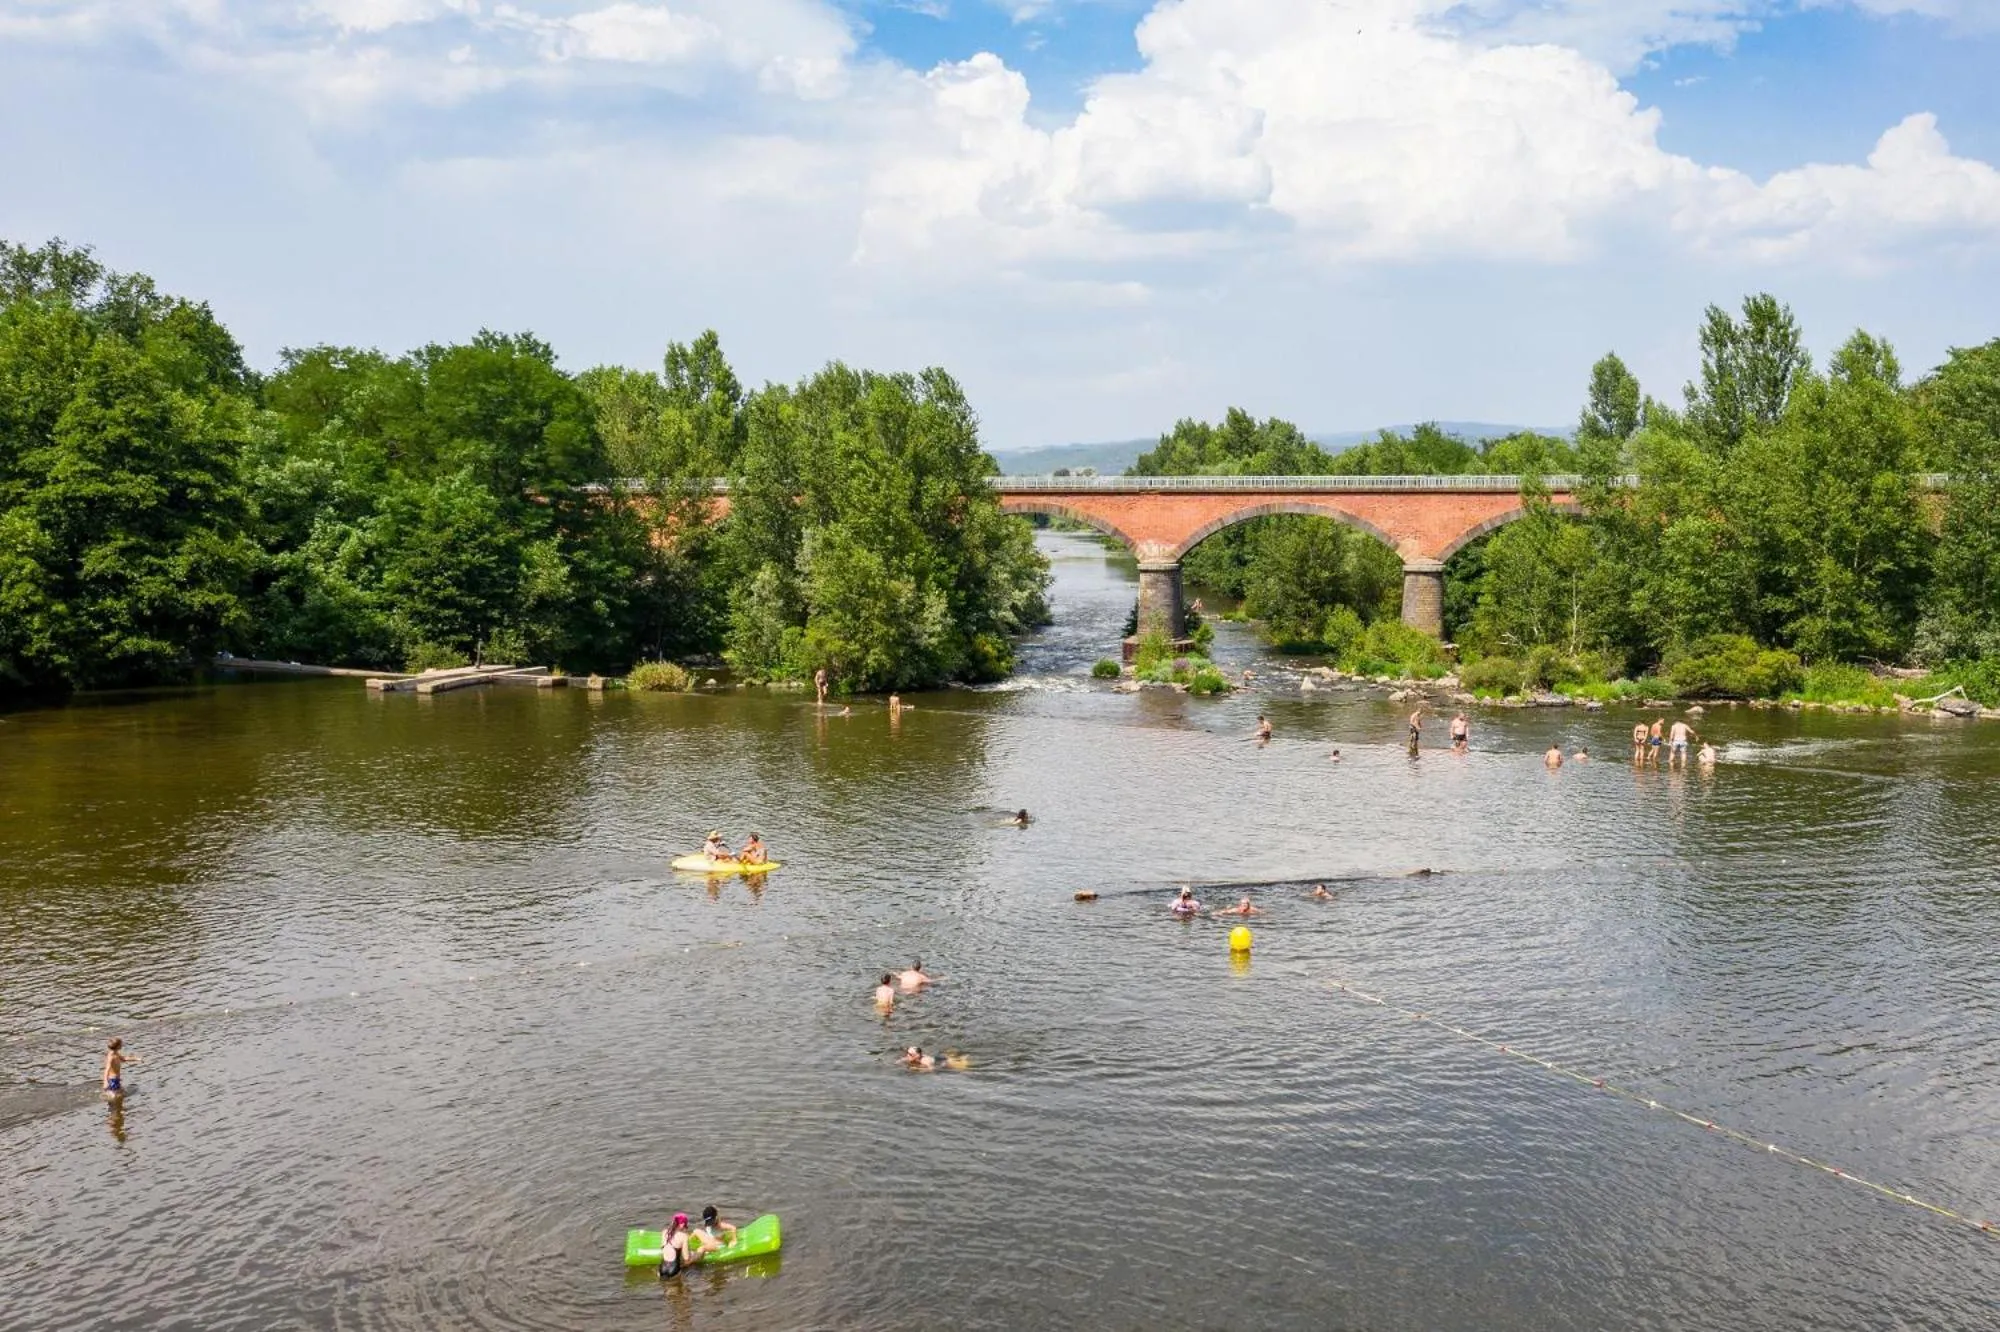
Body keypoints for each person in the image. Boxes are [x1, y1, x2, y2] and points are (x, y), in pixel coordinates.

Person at [658, 1213, 701, 1278]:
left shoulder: (664, 1232)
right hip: (674, 1270)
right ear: (683, 1224)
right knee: (696, 1256)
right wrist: (696, 1256)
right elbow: (686, 1258)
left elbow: (662, 1248)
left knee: (666, 1286)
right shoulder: (684, 1236)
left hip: (662, 1269)